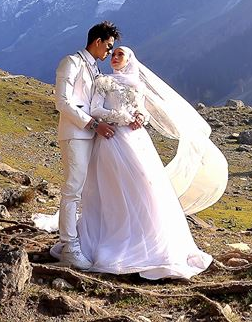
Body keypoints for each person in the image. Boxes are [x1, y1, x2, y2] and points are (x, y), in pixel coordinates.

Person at [75, 46, 227, 279]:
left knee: (145, 186)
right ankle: (114, 235)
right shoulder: (103, 82)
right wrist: (123, 118)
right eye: (113, 55)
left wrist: (140, 117)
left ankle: (147, 236)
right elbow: (96, 109)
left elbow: (142, 110)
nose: (114, 58)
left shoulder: (138, 84)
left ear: (128, 60)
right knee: (112, 188)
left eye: (120, 55)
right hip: (111, 140)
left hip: (136, 140)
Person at [51, 21, 120, 270]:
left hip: (91, 136)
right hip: (75, 134)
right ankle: (69, 246)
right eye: (109, 46)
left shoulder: (95, 69)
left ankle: (81, 239)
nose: (110, 53)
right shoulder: (71, 62)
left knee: (87, 190)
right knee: (73, 189)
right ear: (97, 41)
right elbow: (62, 102)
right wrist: (92, 125)